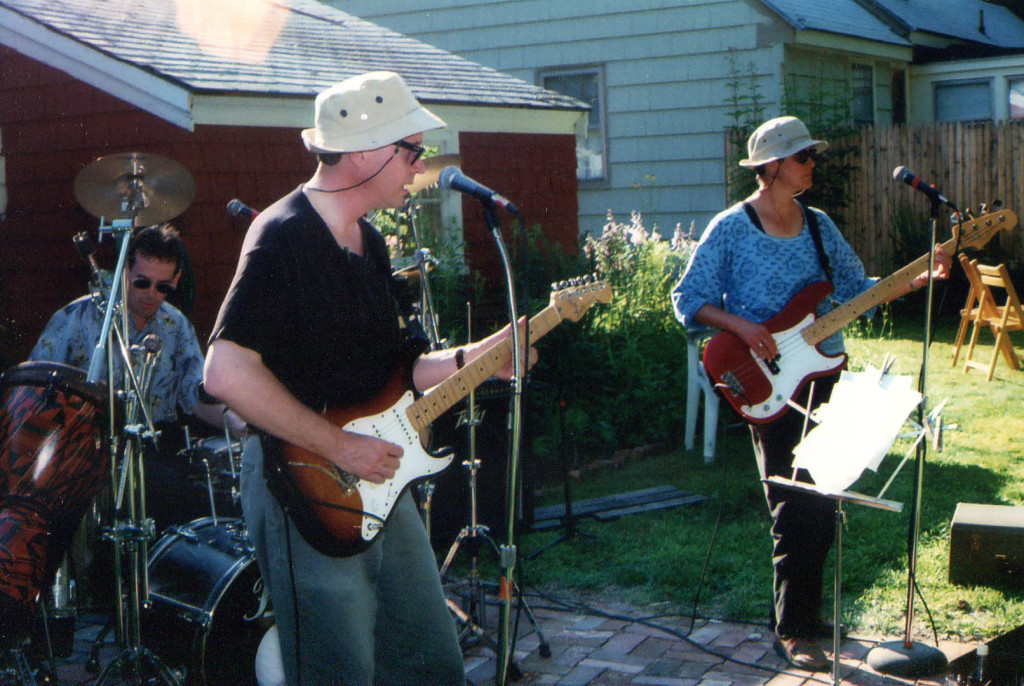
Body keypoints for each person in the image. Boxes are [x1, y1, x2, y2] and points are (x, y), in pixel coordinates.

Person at [203, 70, 534, 685]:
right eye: (412, 151)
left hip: (378, 472)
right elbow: (225, 370)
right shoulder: (282, 236)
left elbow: (402, 371)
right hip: (303, 482)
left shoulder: (371, 244)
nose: (420, 167)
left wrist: (487, 356)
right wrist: (339, 446)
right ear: (364, 152)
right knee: (338, 670)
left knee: (429, 660)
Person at [671, 115, 950, 671]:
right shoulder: (731, 227)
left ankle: (808, 615)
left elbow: (853, 288)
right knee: (792, 502)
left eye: (810, 156)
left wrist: (915, 278)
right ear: (771, 167)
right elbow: (688, 299)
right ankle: (793, 630)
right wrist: (744, 328)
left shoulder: (819, 225)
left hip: (822, 374)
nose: (812, 164)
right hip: (764, 380)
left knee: (825, 497)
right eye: (802, 157)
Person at [30, 223, 245, 532]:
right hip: (83, 448)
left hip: (151, 447)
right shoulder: (75, 318)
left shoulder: (176, 325)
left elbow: (196, 393)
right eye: (142, 283)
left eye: (163, 287)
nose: (151, 295)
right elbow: (36, 387)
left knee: (188, 504)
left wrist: (240, 427)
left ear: (176, 280)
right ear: (124, 272)